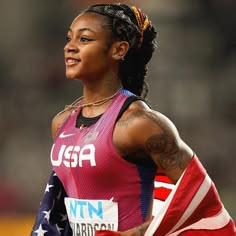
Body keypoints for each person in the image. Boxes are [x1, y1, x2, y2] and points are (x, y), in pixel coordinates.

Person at [31, 3, 236, 236]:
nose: (70, 48)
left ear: (119, 50)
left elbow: (200, 203)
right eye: (69, 39)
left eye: (85, 39)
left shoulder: (139, 123)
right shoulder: (62, 123)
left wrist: (133, 234)